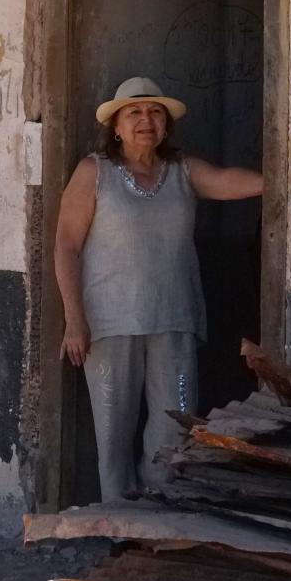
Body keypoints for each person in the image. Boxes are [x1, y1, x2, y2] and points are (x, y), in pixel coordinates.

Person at [54, 75, 264, 500]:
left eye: (155, 113)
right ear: (115, 126)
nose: (145, 120)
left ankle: (157, 517)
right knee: (114, 432)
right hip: (109, 325)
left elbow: (227, 181)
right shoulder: (94, 172)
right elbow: (66, 245)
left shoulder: (182, 171)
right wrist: (74, 320)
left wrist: (286, 178)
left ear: (166, 124)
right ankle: (117, 522)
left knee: (174, 423)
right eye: (134, 113)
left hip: (174, 320)